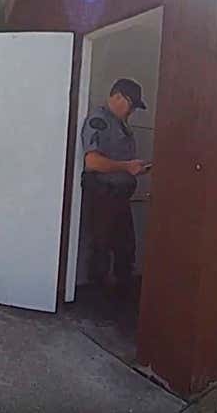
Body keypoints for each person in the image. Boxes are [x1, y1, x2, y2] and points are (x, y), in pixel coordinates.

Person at [81, 78, 149, 298]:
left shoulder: (119, 123)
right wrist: (127, 167)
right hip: (103, 196)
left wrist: (133, 169)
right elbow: (92, 162)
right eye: (131, 106)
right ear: (118, 97)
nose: (131, 113)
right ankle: (97, 305)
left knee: (125, 250)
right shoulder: (99, 120)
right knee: (101, 251)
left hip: (118, 198)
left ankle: (119, 299)